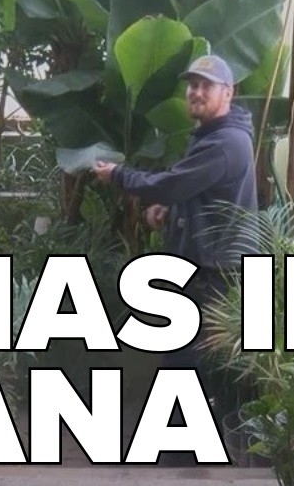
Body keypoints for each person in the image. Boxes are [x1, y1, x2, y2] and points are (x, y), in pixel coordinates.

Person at [93, 54, 258, 445]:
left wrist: (118, 175)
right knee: (186, 359)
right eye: (193, 85)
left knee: (188, 362)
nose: (197, 92)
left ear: (228, 93)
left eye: (207, 85)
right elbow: (194, 190)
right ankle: (181, 440)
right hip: (205, 263)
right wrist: (169, 211)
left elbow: (171, 183)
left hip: (212, 271)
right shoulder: (214, 136)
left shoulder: (224, 143)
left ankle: (184, 449)